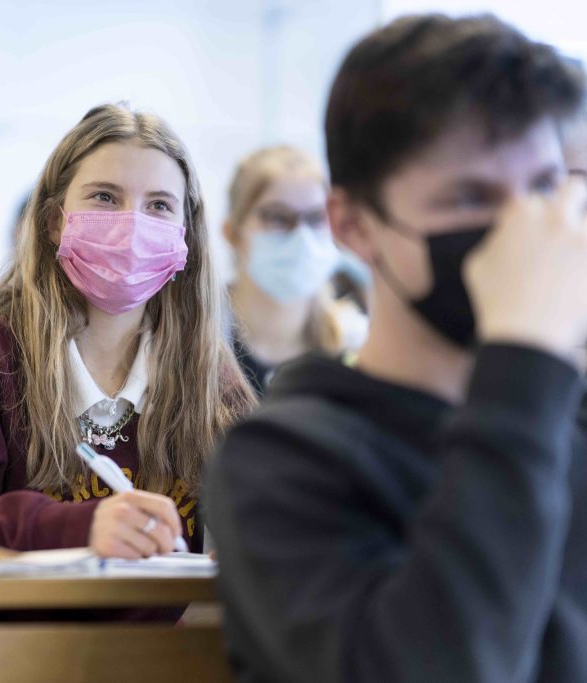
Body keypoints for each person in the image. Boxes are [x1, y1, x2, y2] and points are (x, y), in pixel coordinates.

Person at [209, 14, 587, 682]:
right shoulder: (280, 461)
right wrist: (523, 363)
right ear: (354, 225)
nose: (522, 233)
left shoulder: (562, 426)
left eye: (543, 189)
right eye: (470, 197)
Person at [0, 104, 253, 572]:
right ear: (54, 221)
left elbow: (269, 519)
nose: (132, 225)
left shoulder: (206, 371)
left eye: (159, 206)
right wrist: (76, 529)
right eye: (105, 197)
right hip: (12, 622)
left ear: (184, 237)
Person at [223, 146, 367, 395]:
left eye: (317, 218)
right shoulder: (198, 335)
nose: (302, 238)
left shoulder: (356, 347)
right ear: (233, 233)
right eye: (278, 218)